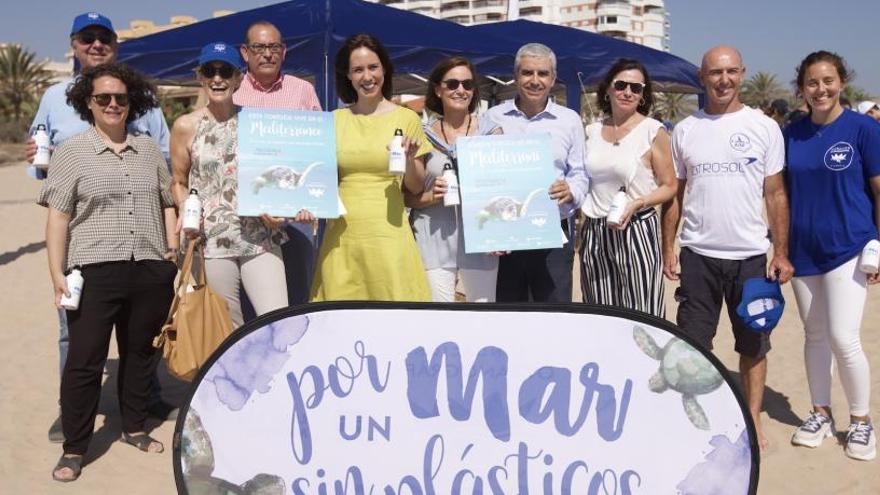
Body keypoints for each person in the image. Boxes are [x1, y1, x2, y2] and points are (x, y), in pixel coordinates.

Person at [27, 11, 172, 443]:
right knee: (78, 347)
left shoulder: (144, 129)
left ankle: (141, 407)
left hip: (143, 251)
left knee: (140, 347)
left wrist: (168, 251)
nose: (95, 44)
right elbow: (49, 185)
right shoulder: (54, 99)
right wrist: (56, 270)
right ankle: (71, 419)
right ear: (74, 43)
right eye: (87, 38)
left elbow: (164, 176)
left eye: (103, 37)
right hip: (86, 249)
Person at [661, 46, 794, 451]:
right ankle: (695, 421)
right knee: (694, 344)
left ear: (742, 73)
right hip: (698, 255)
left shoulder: (764, 127)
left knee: (753, 344)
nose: (724, 80)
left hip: (751, 257)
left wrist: (781, 252)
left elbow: (775, 194)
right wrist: (670, 245)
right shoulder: (685, 130)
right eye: (716, 72)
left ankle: (751, 417)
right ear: (702, 76)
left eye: (732, 71)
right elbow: (677, 197)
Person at [785, 51, 878, 461]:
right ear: (802, 88)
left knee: (843, 337)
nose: (820, 89)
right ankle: (820, 413)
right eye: (811, 82)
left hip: (849, 247)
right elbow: (780, 193)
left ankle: (861, 422)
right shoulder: (792, 133)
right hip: (803, 250)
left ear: (842, 82)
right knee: (815, 335)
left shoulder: (863, 129)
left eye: (827, 81)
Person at [170, 42, 289, 327]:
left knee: (278, 322)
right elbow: (178, 181)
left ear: (239, 78)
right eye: (210, 71)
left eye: (226, 71)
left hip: (260, 238)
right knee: (227, 330)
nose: (217, 78)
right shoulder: (186, 126)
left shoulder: (257, 122)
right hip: (210, 243)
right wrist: (185, 205)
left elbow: (275, 176)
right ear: (200, 77)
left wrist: (280, 208)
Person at [310, 34, 431, 301]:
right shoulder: (333, 121)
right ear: (348, 77)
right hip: (342, 237)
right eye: (358, 70)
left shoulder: (407, 118)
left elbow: (415, 186)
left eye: (373, 67)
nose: (367, 76)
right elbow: (315, 178)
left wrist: (409, 160)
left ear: (384, 69)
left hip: (389, 235)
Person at [484, 43, 589, 302]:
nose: (535, 80)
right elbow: (483, 175)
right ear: (516, 75)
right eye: (527, 73)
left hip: (553, 232)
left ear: (553, 79)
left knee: (553, 316)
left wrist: (571, 190)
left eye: (542, 74)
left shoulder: (570, 120)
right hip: (505, 235)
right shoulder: (492, 117)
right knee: (508, 315)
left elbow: (580, 174)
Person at [234, 20, 323, 306]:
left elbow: (318, 149)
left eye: (274, 47)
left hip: (297, 217)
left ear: (284, 52)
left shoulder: (302, 91)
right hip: (245, 218)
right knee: (251, 309)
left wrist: (314, 200)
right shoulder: (231, 93)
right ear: (245, 52)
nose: (267, 54)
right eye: (259, 47)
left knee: (297, 301)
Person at [579, 58, 676, 317]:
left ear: (643, 95)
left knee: (644, 317)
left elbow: (670, 186)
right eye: (621, 85)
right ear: (608, 89)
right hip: (595, 232)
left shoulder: (653, 131)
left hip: (636, 230)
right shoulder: (591, 131)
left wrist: (638, 203)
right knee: (599, 314)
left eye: (636, 88)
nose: (628, 92)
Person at [405, 56, 501, 302]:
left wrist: (502, 232)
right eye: (453, 84)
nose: (461, 90)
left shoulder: (491, 133)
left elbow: (503, 191)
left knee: (482, 318)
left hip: (481, 242)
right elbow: (408, 196)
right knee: (438, 321)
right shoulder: (422, 135)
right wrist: (431, 195)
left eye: (468, 85)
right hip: (432, 240)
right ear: (437, 89)